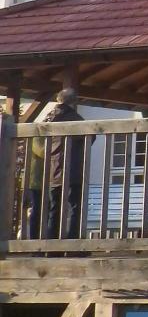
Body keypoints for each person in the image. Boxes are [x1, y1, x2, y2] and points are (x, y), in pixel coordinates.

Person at [44, 88, 88, 239]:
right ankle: (72, 244)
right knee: (74, 208)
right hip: (73, 169)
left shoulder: (48, 119)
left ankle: (50, 246)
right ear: (74, 101)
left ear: (58, 99)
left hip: (53, 170)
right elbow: (89, 139)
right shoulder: (76, 119)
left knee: (54, 209)